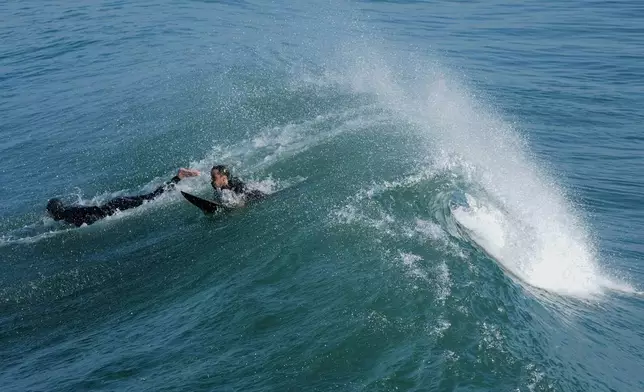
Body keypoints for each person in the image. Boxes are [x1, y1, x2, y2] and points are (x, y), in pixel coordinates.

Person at [47, 168, 200, 226]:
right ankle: (178, 177)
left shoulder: (68, 214)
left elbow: (91, 209)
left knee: (153, 198)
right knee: (150, 196)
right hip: (115, 203)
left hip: (115, 206)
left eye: (51, 212)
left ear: (56, 211)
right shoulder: (67, 212)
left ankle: (179, 176)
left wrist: (96, 217)